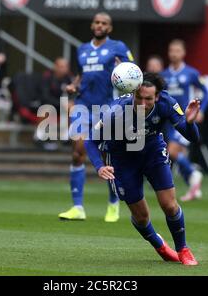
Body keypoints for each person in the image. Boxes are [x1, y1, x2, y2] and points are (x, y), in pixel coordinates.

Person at [84, 72, 200, 265]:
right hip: (122, 159)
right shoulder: (116, 111)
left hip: (153, 151)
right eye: (139, 97)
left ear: (157, 97)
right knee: (141, 216)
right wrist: (99, 166)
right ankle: (160, 245)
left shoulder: (167, 103)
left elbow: (193, 137)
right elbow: (91, 140)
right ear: (132, 93)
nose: (142, 103)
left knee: (170, 205)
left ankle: (183, 249)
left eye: (148, 99)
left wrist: (189, 122)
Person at [58, 12, 134, 222]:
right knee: (77, 152)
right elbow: (81, 74)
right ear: (92, 25)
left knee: (106, 156)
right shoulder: (82, 49)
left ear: (109, 28)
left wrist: (121, 68)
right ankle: (78, 207)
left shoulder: (118, 46)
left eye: (104, 23)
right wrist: (75, 84)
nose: (100, 25)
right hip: (83, 106)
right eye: (97, 22)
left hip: (107, 107)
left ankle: (113, 202)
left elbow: (133, 72)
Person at [160, 39, 208, 201]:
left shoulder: (191, 73)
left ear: (183, 53)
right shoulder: (164, 76)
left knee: (172, 151)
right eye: (171, 50)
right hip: (168, 121)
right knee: (171, 153)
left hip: (183, 119)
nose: (174, 53)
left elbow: (205, 92)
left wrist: (201, 110)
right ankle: (193, 186)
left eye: (177, 50)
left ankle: (194, 174)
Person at [36, 57, 73, 150]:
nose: (63, 69)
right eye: (61, 66)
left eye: (65, 67)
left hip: (62, 107)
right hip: (48, 105)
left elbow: (74, 93)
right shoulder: (47, 77)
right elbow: (45, 97)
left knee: (73, 107)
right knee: (46, 109)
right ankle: (40, 137)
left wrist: (70, 102)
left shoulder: (68, 78)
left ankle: (66, 137)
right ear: (55, 67)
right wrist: (62, 103)